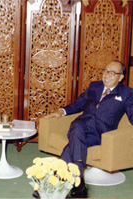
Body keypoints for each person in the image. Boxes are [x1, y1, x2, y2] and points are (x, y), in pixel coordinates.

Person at [45, 61, 133, 198]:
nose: (107, 75)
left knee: (71, 146)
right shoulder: (94, 86)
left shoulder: (127, 93)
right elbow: (79, 103)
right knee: (78, 127)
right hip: (81, 126)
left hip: (101, 133)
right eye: (105, 71)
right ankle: (76, 182)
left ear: (121, 77)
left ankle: (55, 185)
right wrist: (62, 111)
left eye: (112, 73)